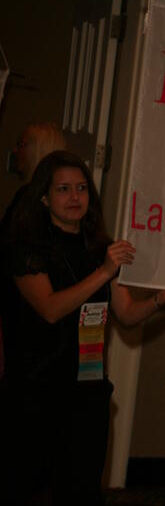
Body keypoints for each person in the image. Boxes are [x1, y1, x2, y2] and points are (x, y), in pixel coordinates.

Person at [0, 150, 165, 506]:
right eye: (63, 189)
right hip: (36, 392)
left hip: (87, 392)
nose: (75, 197)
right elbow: (51, 310)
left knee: (82, 492)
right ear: (44, 197)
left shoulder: (100, 248)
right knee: (24, 489)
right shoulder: (26, 250)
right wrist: (104, 272)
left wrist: (159, 302)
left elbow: (127, 314)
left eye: (82, 188)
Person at [0, 122, 67, 381]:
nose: (16, 151)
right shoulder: (31, 201)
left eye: (22, 144)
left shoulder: (29, 205)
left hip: (23, 314)